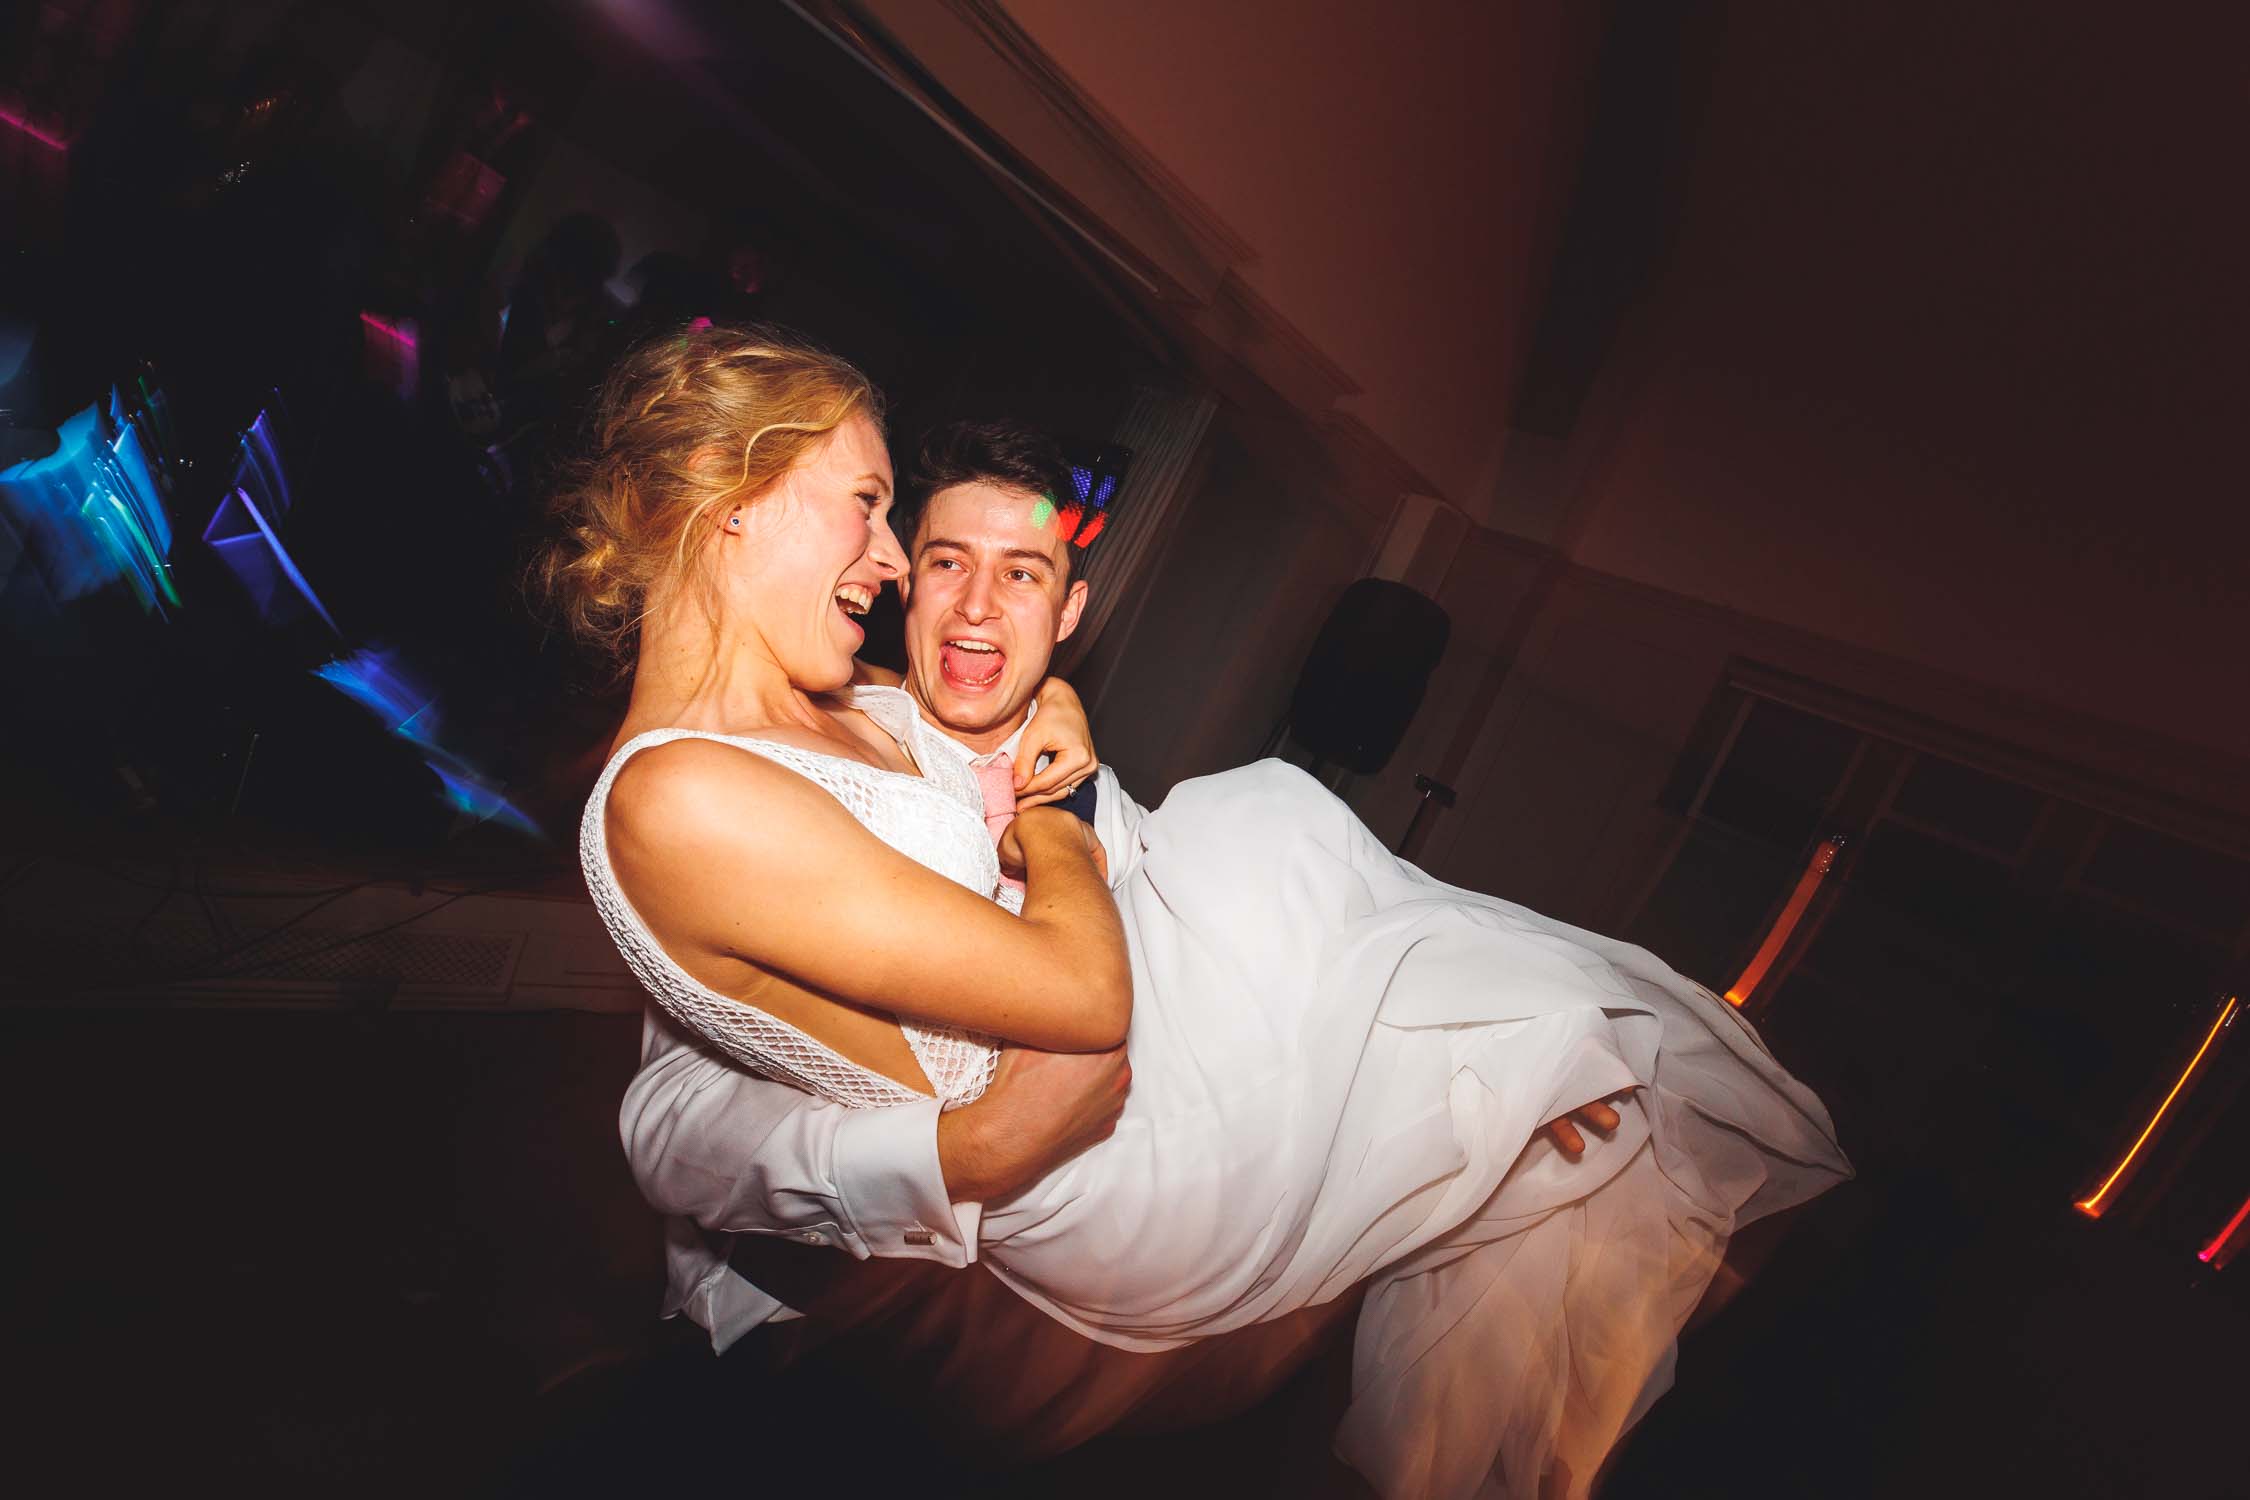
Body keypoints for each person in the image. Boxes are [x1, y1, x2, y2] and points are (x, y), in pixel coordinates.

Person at [550, 325, 1852, 1498]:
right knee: (1271, 836)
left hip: (1092, 1182)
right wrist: (960, 1152)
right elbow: (684, 1110)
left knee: (1287, 860)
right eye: (907, 535)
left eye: (1017, 575)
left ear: (1071, 613)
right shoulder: (707, 788)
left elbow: (1207, 944)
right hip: (938, 1244)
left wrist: (1480, 1058)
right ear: (733, 506)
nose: (915, 580)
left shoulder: (880, 715)